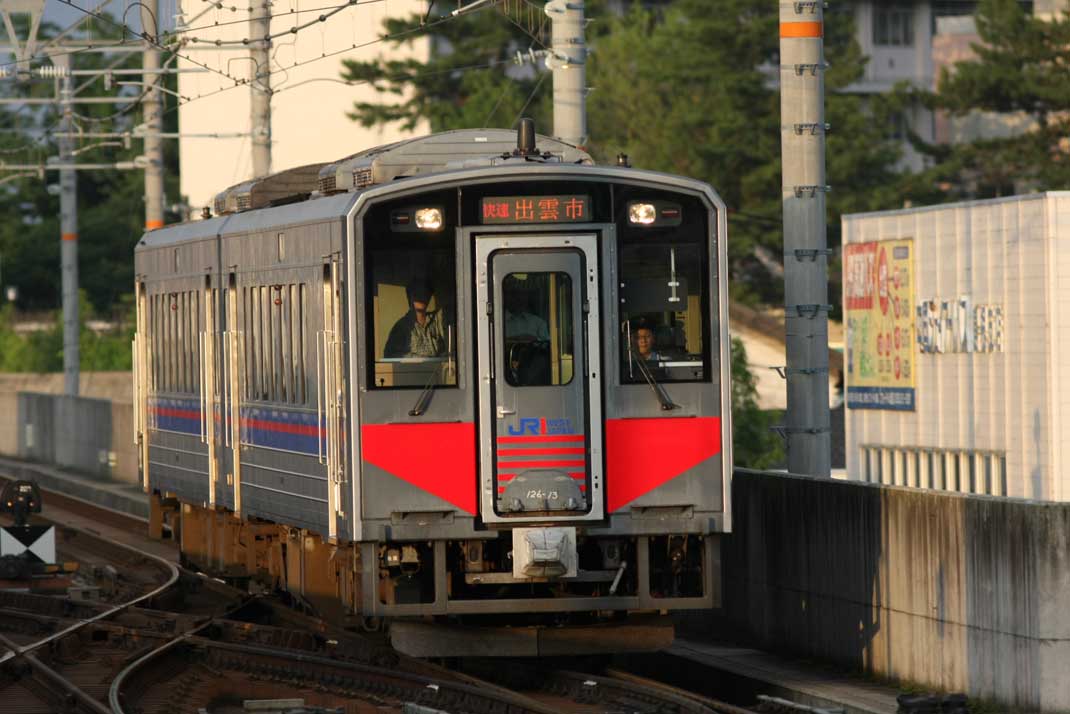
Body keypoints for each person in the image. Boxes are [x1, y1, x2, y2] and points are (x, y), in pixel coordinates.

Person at [384, 281, 447, 358]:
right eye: (417, 294)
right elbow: (389, 355)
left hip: (436, 369)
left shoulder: (436, 322)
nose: (421, 297)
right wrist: (416, 358)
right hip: (411, 370)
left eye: (425, 294)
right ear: (410, 297)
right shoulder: (401, 326)